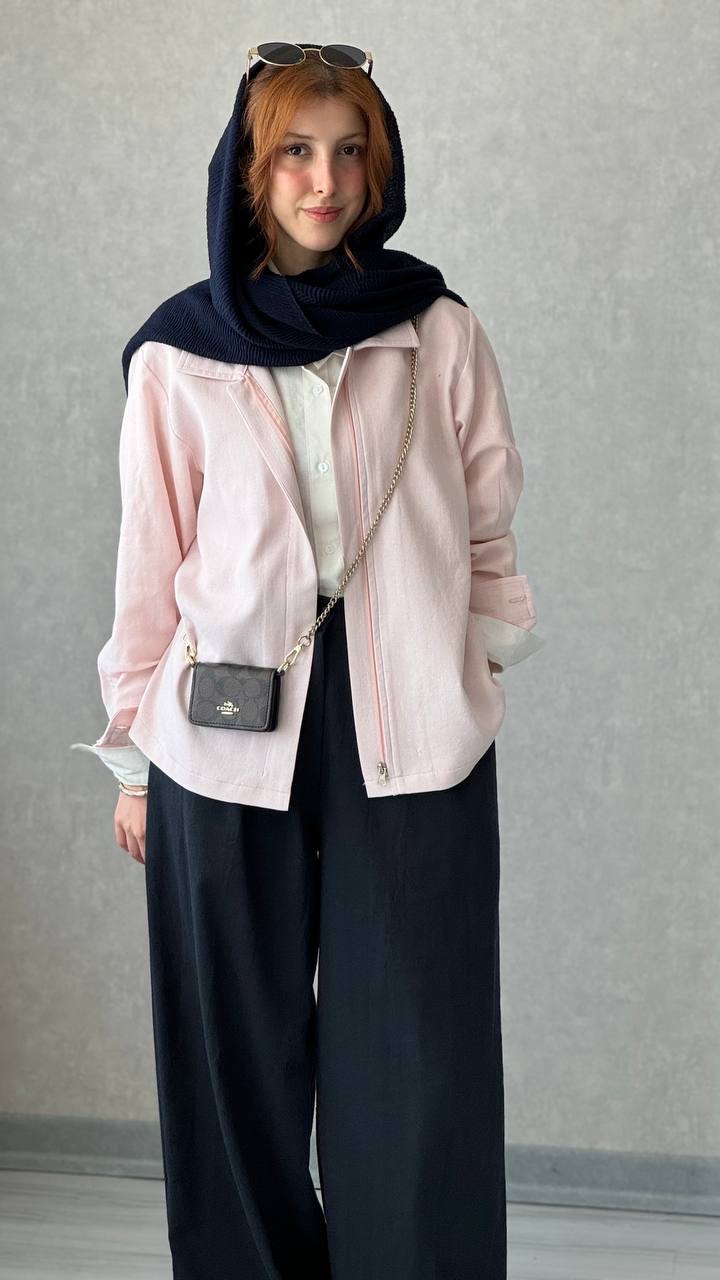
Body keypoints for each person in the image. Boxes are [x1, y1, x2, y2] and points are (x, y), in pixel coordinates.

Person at [71, 41, 544, 1280]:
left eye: (347, 152)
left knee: (419, 1055)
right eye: (294, 151)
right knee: (234, 1053)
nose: (323, 181)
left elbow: (487, 524)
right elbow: (150, 563)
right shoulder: (178, 354)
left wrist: (476, 666)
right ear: (250, 170)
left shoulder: (437, 329)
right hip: (217, 728)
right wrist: (132, 758)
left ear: (378, 169)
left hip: (415, 722)